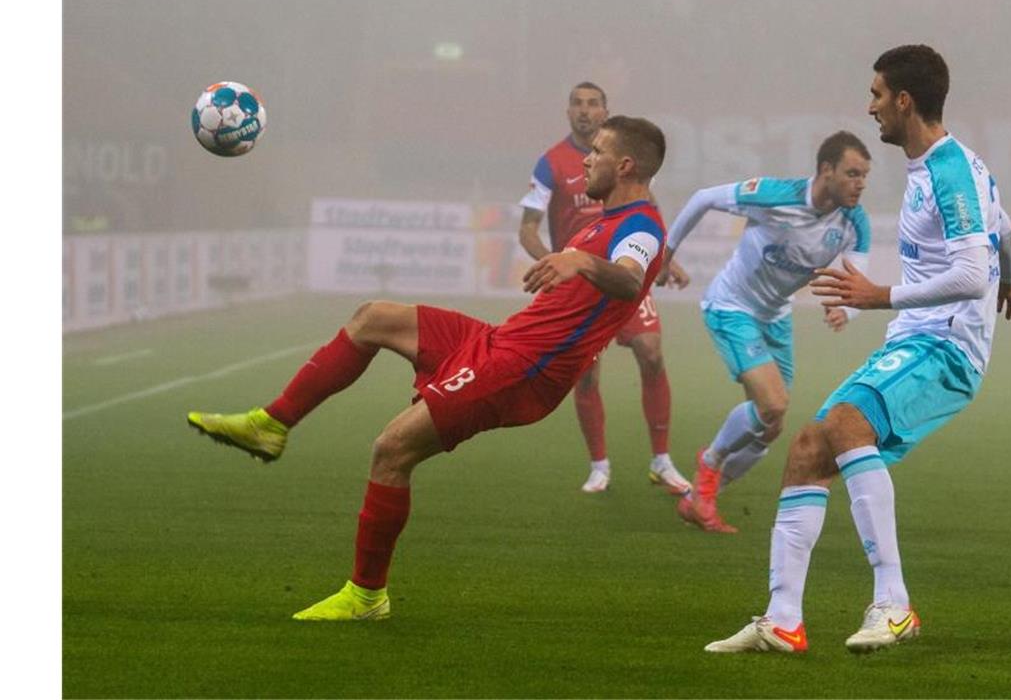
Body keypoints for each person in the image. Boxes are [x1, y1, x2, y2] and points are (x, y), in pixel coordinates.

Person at [188, 116, 672, 620]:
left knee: (391, 450)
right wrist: (576, 258)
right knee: (374, 317)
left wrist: (583, 263)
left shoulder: (640, 227)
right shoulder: (601, 220)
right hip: (498, 340)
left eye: (596, 151)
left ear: (625, 164)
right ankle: (271, 424)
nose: (586, 160)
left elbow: (628, 280)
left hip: (524, 369)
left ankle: (366, 597)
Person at [704, 44, 1011, 655]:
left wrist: (881, 296)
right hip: (917, 341)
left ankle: (895, 604)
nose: (869, 105)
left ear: (904, 101)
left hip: (947, 346)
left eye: (876, 94)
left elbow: (969, 275)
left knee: (848, 424)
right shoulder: (948, 165)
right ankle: (782, 620)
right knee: (806, 447)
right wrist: (1009, 275)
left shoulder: (949, 172)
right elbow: (1003, 232)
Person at [658, 131, 873, 533]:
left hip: (776, 316)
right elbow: (704, 197)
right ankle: (708, 466)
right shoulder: (775, 195)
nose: (860, 184)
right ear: (826, 170)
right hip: (732, 307)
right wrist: (665, 256)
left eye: (864, 175)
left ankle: (698, 499)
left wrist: (845, 311)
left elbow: (859, 284)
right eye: (852, 173)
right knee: (773, 404)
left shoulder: (854, 222)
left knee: (768, 427)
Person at [519, 82, 691, 494]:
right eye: (577, 103)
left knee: (651, 352)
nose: (585, 111)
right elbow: (527, 229)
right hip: (581, 281)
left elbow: (645, 212)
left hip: (621, 271)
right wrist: (555, 264)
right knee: (586, 375)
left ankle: (662, 461)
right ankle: (599, 466)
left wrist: (666, 261)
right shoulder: (551, 163)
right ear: (567, 112)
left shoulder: (624, 160)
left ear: (605, 110)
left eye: (593, 104)